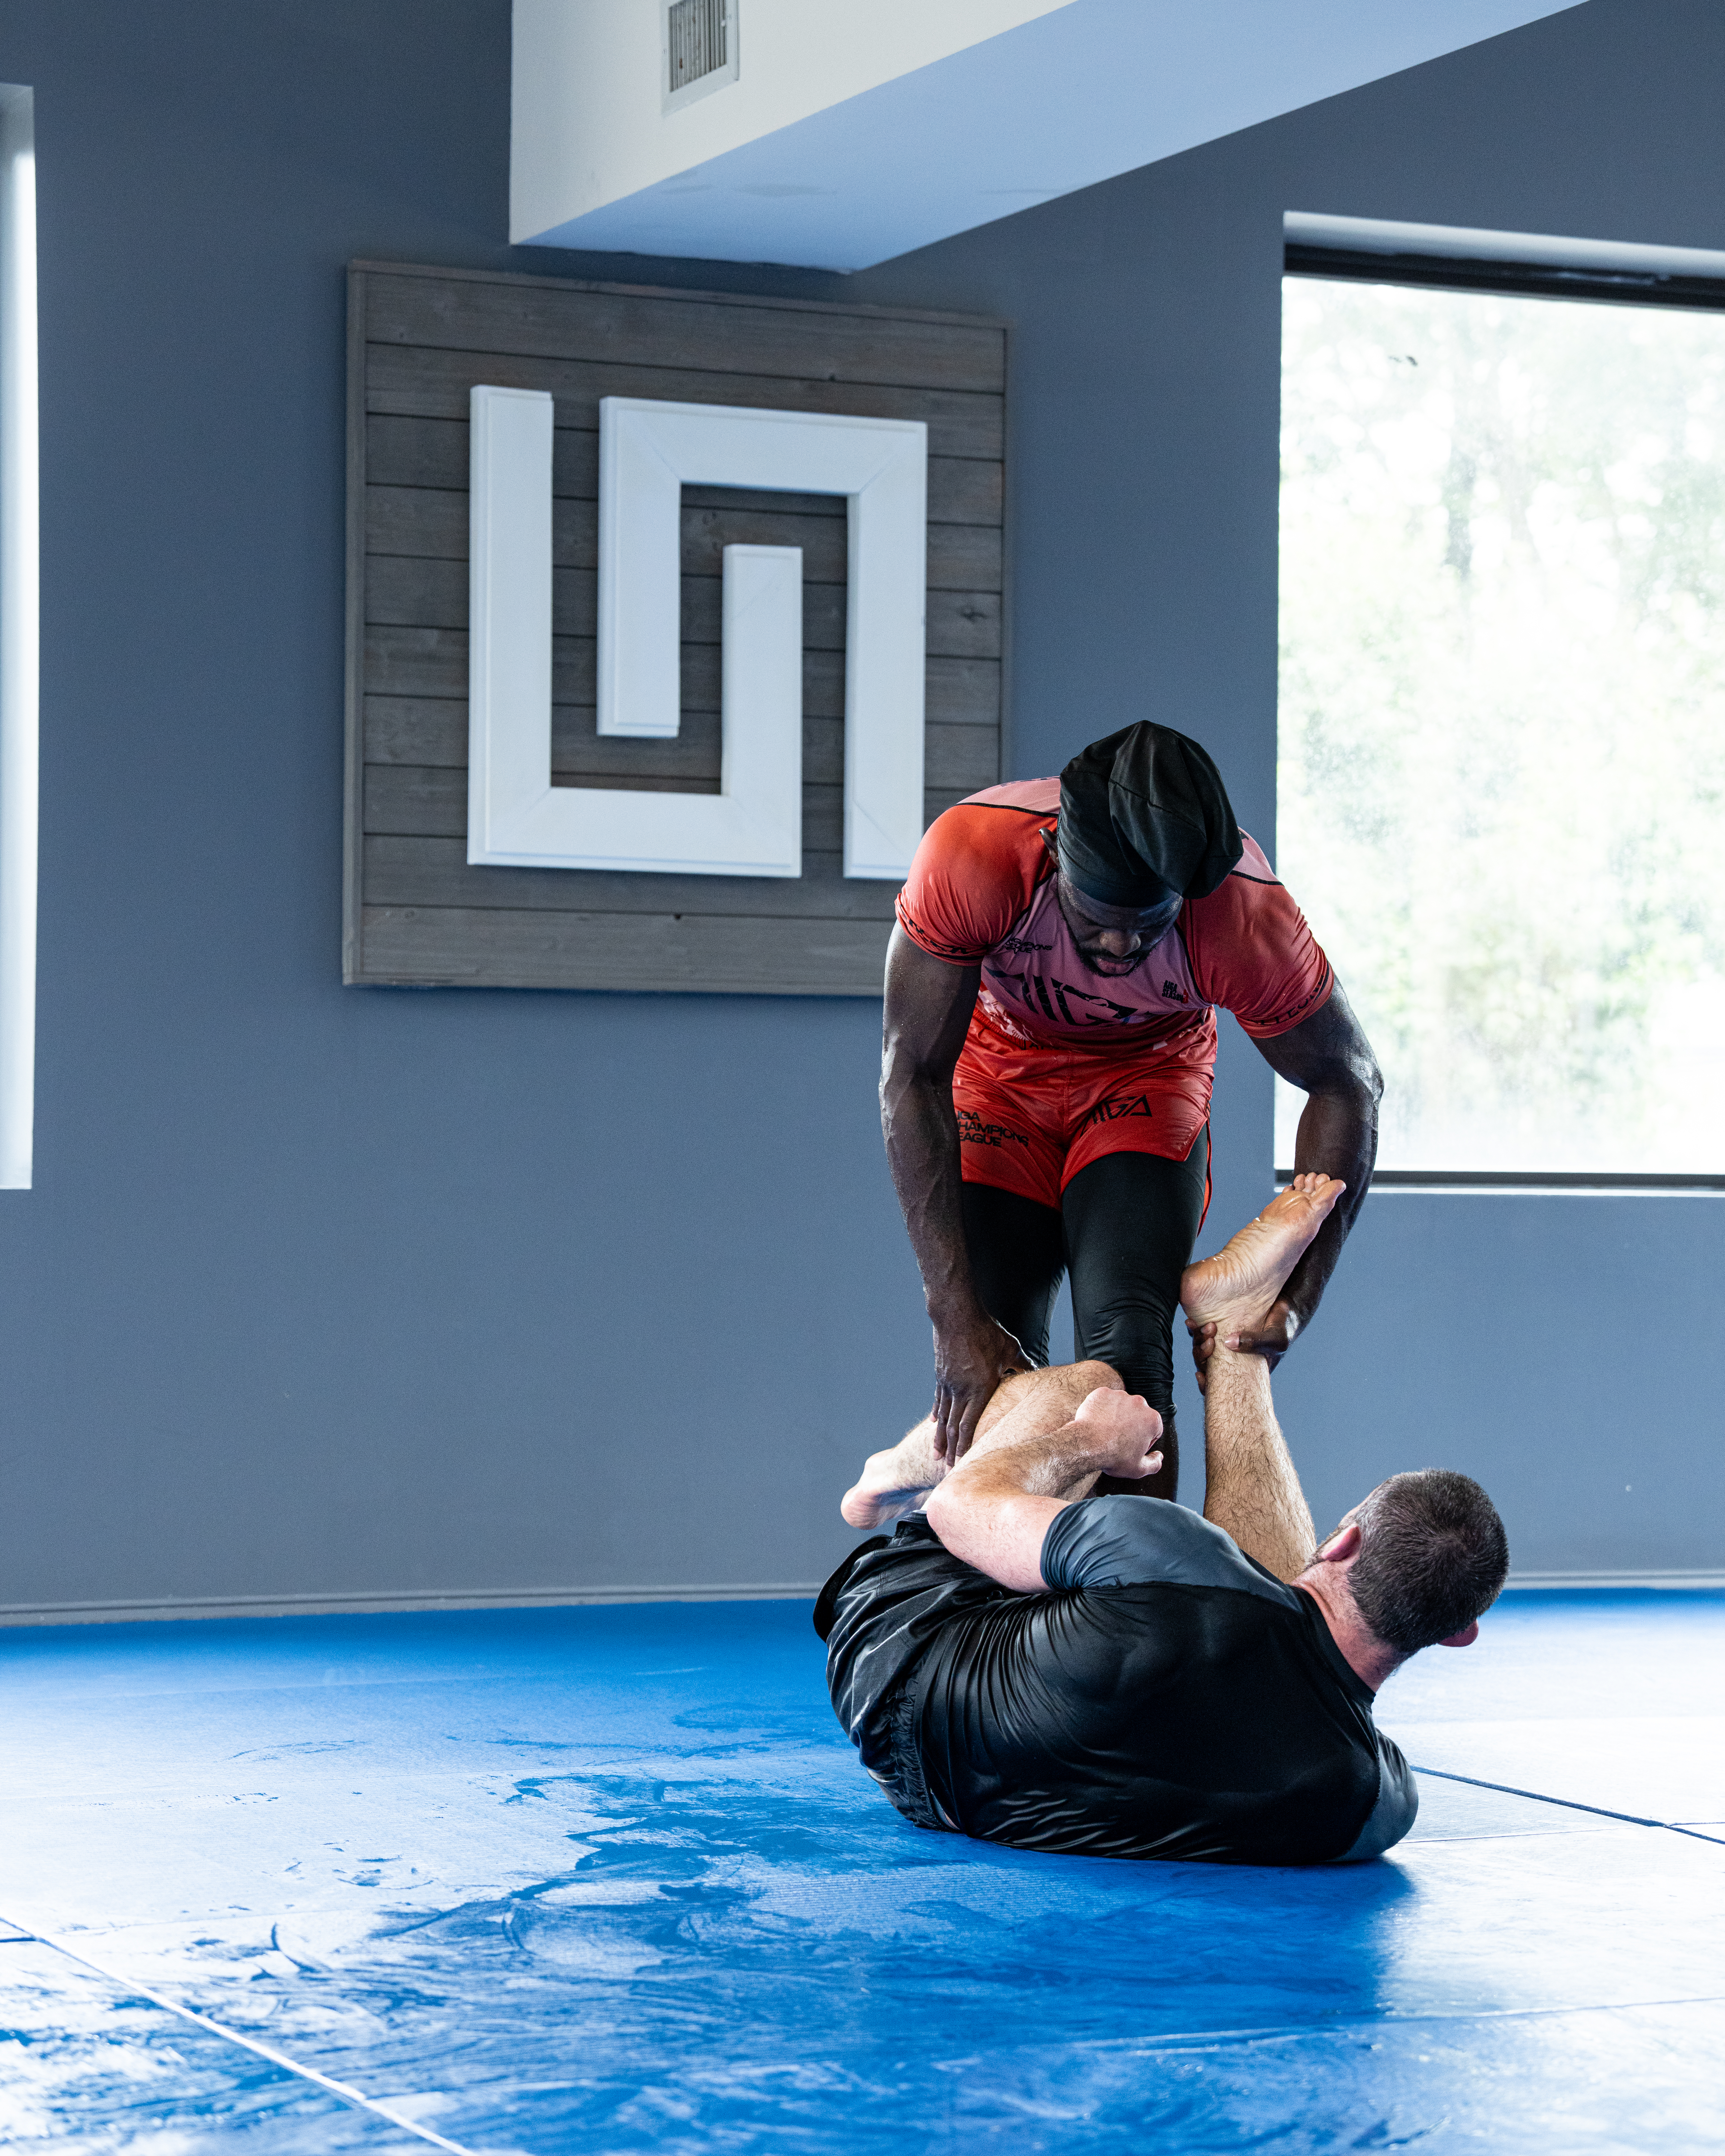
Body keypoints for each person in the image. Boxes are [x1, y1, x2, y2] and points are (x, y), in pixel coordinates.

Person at [817, 1175, 1509, 1867]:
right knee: (1252, 1626)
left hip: (896, 1666)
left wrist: (1092, 1444)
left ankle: (893, 1470)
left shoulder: (1166, 1554)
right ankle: (1236, 1339)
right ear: (1459, 1634)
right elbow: (1263, 1660)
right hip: (953, 1802)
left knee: (1091, 1390)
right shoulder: (1373, 1804)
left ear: (1343, 1540)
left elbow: (959, 1508)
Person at [882, 720, 1383, 1492]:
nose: (1119, 948)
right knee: (993, 1353)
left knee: (1130, 1367)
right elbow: (911, 1074)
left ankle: (1129, 1606)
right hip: (999, 1077)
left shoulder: (1241, 918)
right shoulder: (975, 856)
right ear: (1055, 864)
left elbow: (1350, 1081)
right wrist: (954, 1322)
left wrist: (1296, 1301)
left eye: (1148, 926)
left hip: (1145, 1082)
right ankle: (988, 1591)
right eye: (1096, 921)